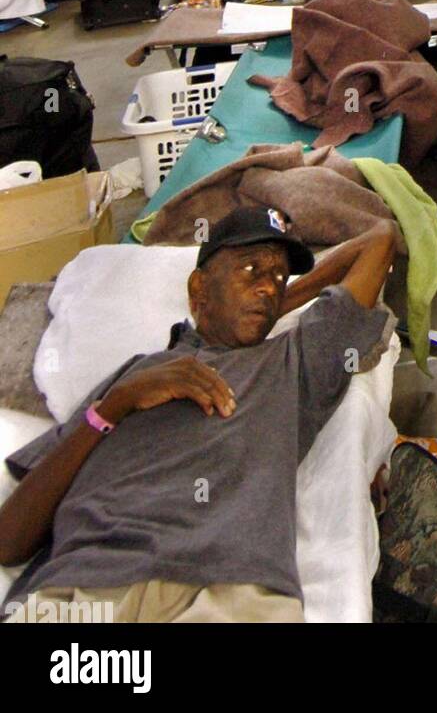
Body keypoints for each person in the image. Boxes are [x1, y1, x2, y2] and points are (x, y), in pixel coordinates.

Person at [0, 207, 396, 625]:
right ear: (198, 287)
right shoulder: (134, 374)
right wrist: (116, 405)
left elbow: (380, 238)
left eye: (279, 277)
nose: (267, 286)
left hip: (228, 593)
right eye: (250, 268)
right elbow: (9, 541)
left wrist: (277, 303)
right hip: (83, 591)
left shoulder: (295, 362)